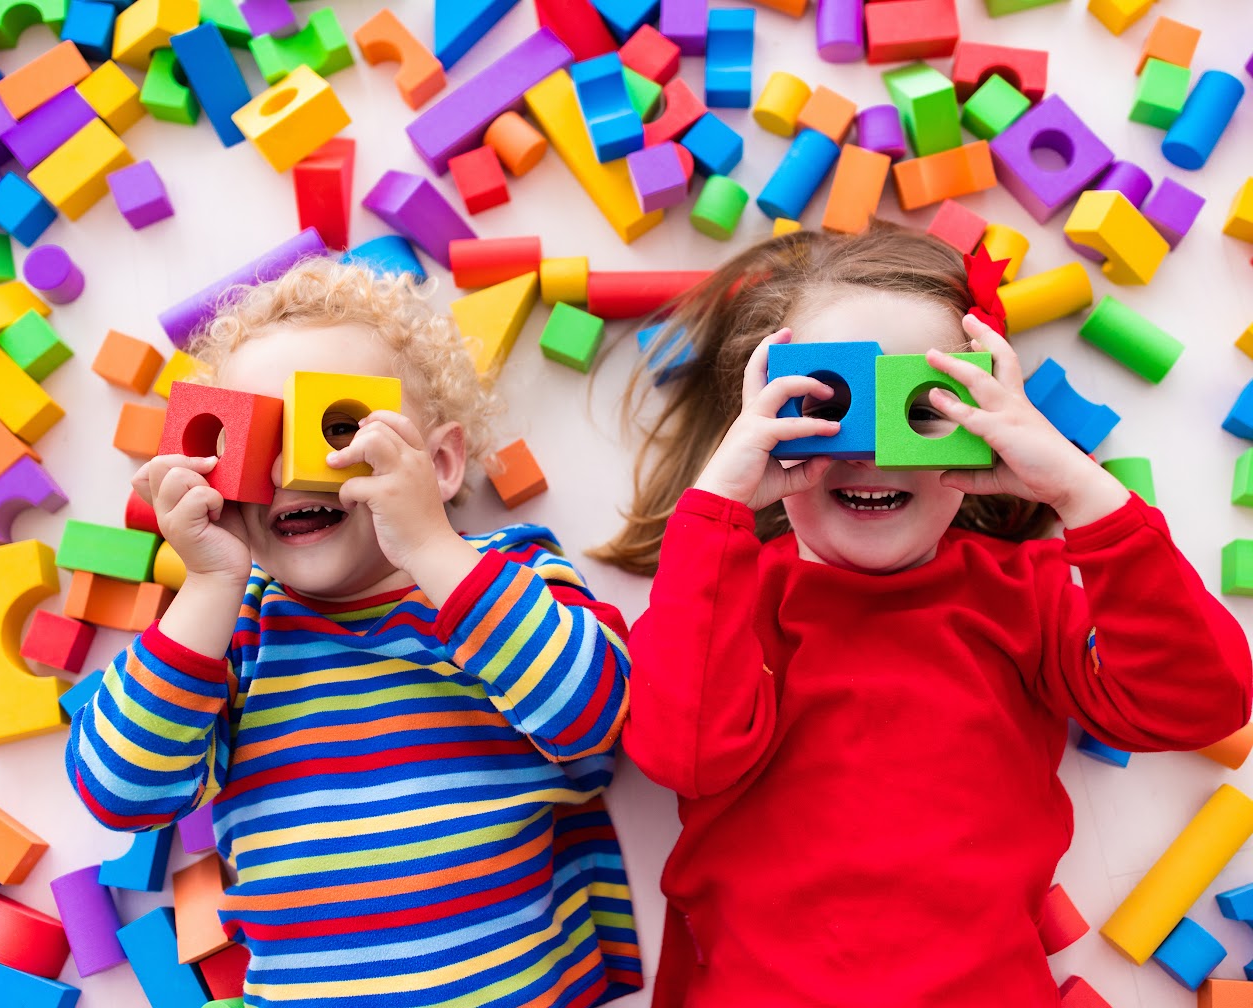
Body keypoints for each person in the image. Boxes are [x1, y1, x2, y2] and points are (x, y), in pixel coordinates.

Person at [595, 224, 1251, 1007]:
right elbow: (682, 755)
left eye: (924, 408)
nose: (875, 453)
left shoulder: (1024, 594)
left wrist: (1080, 492)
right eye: (826, 407)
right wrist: (718, 508)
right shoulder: (727, 595)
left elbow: (1202, 701)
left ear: (987, 426)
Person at [67, 258, 642, 1007]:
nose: (289, 472)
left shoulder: (506, 575)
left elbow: (600, 719)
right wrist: (208, 584)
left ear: (438, 464)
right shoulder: (232, 633)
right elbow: (119, 793)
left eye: (335, 429)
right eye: (254, 445)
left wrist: (434, 550)